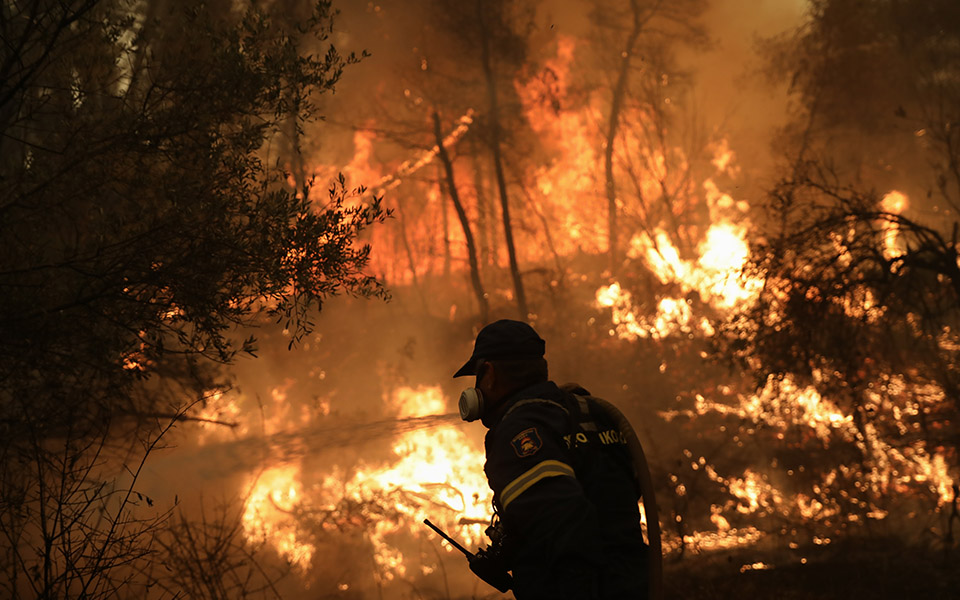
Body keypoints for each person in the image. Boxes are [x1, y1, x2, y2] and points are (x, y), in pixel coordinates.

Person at [453, 319, 657, 600]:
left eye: (477, 376)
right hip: (633, 582)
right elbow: (612, 502)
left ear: (488, 374)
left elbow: (565, 524)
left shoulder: (518, 429)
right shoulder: (589, 412)